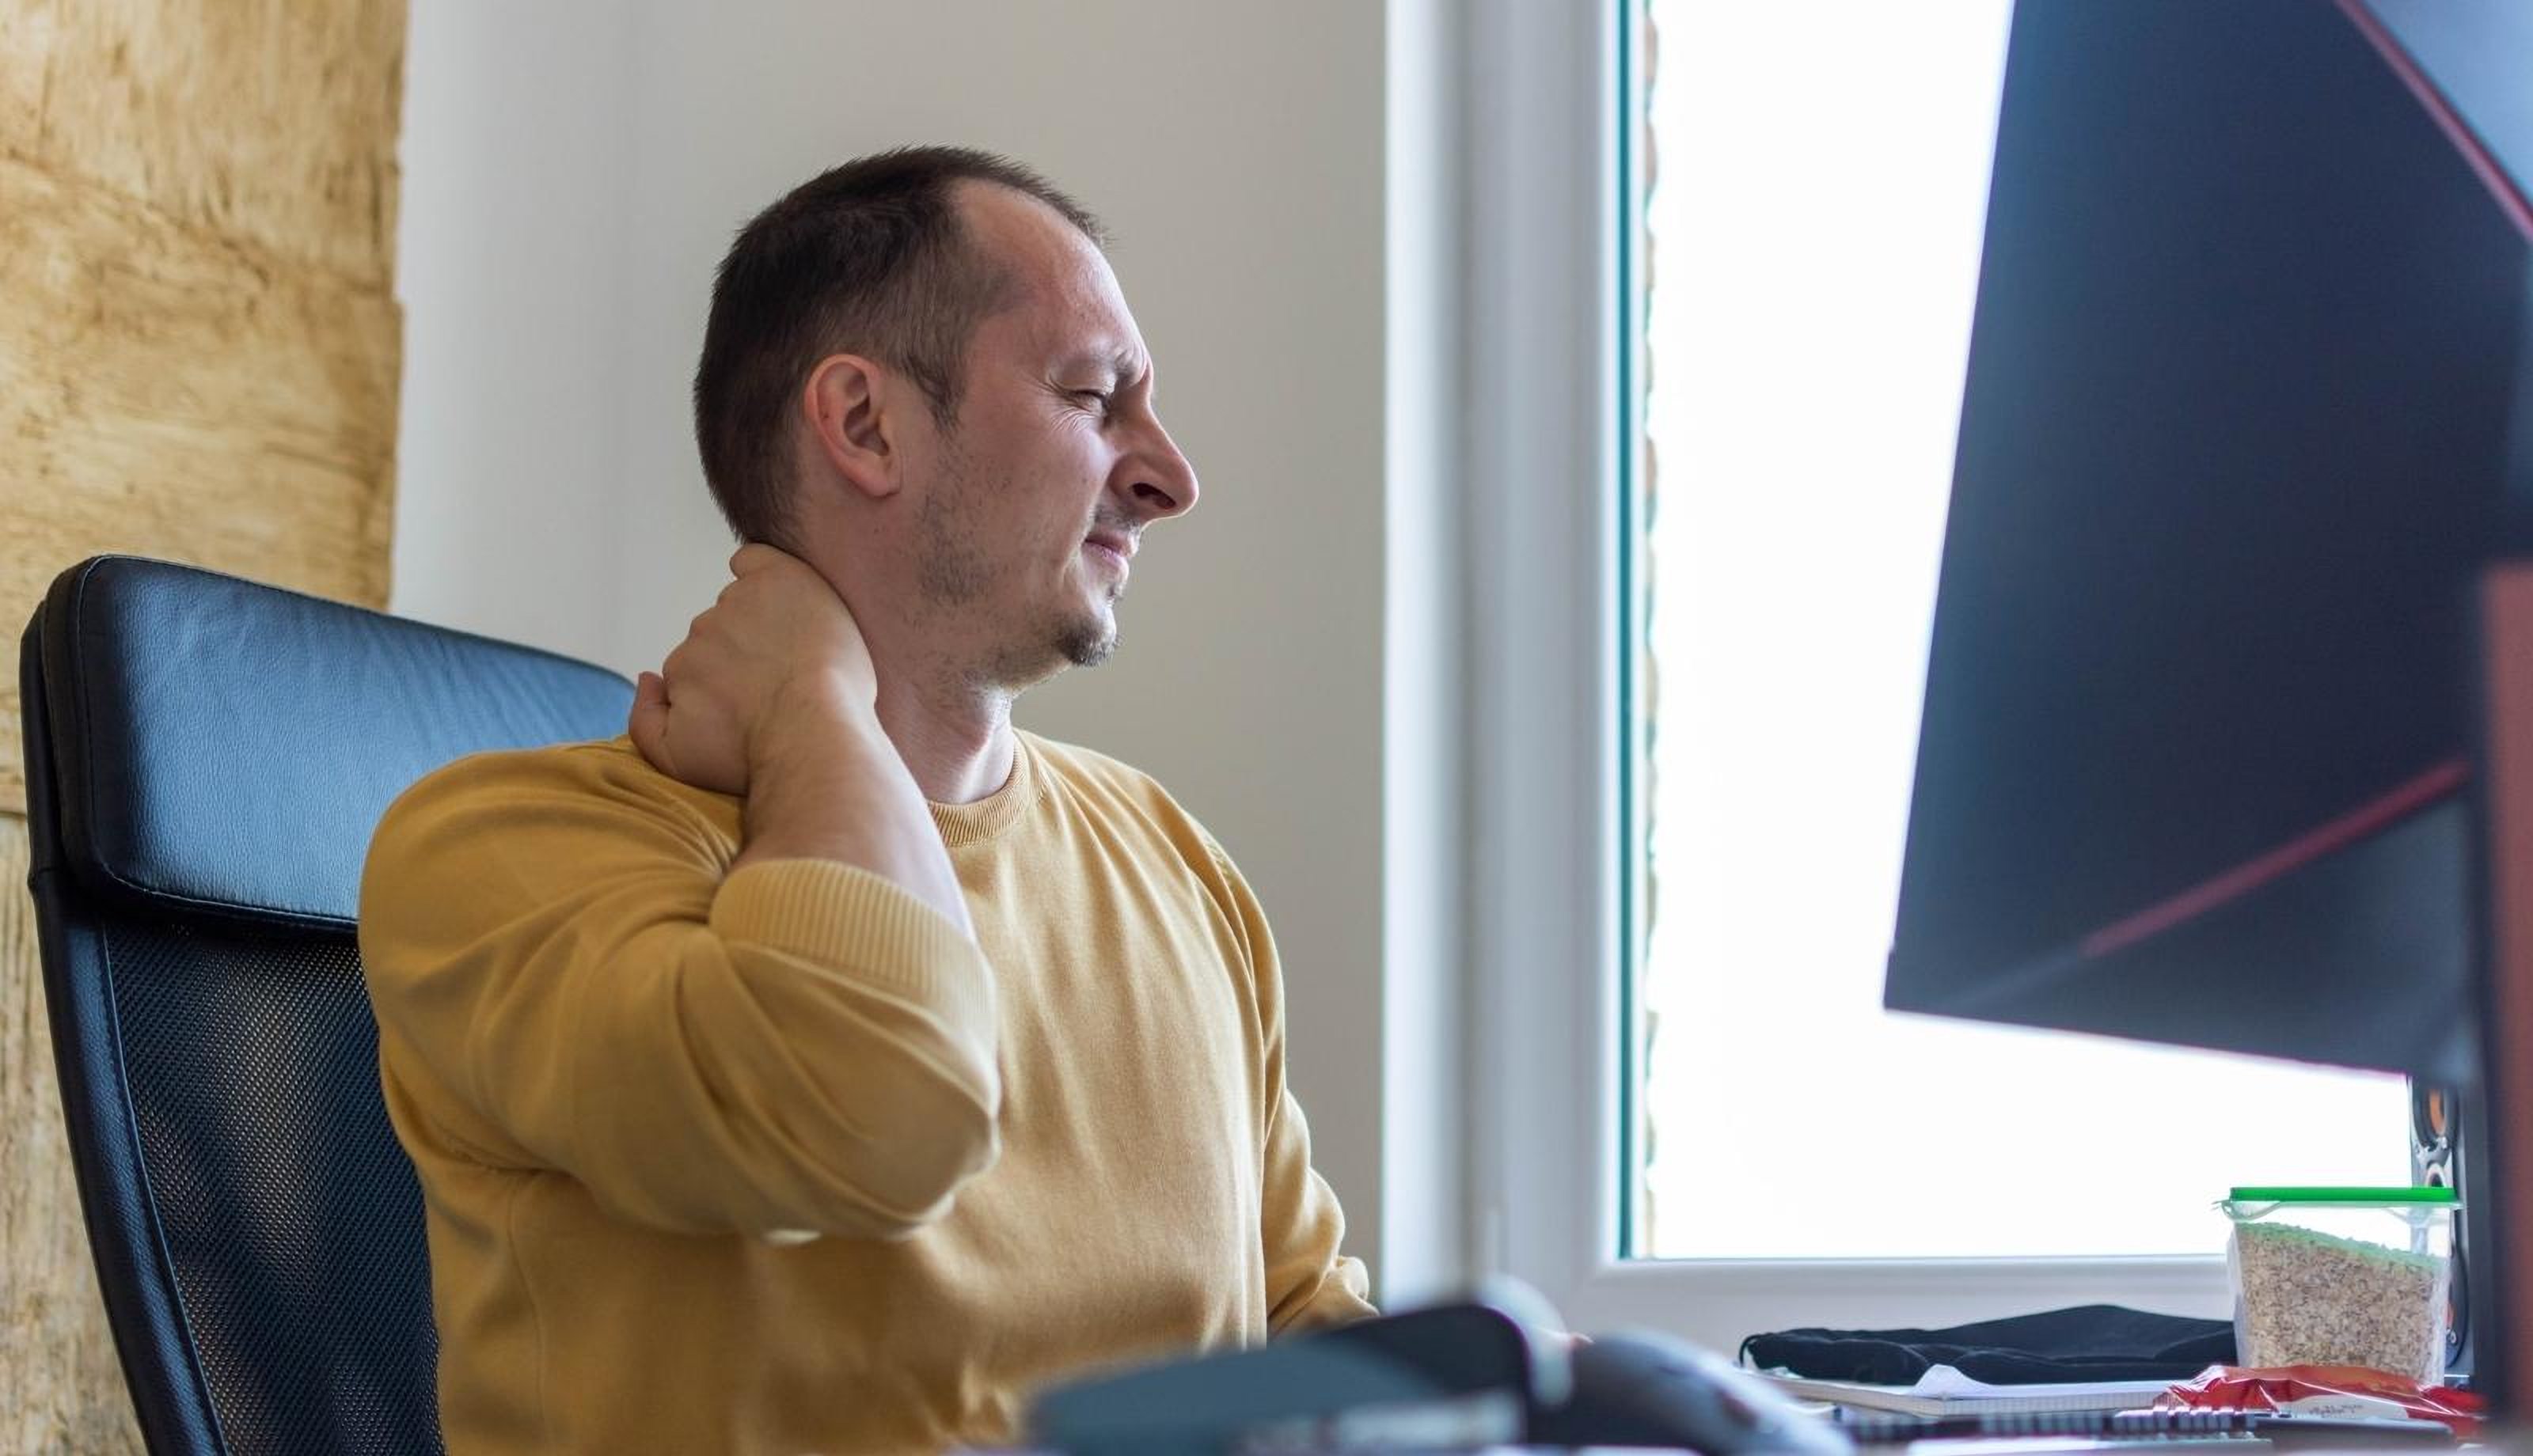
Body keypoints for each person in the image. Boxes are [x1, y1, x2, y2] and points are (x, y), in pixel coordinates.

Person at [359, 146, 1375, 1456]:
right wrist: (813, 712)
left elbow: (1295, 1315)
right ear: (865, 425)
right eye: (1093, 398)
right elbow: (879, 1115)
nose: (1169, 476)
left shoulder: (1169, 862)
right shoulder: (496, 858)